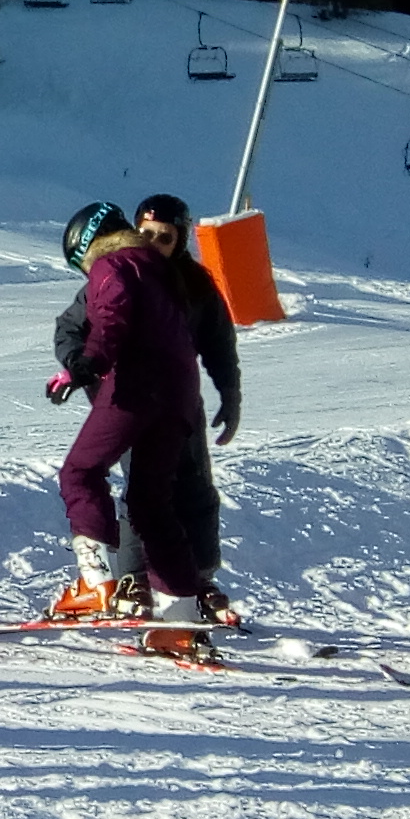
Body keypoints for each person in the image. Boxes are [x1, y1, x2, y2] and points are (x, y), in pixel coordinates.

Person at [51, 190, 240, 616]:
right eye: (146, 233)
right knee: (145, 494)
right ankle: (149, 588)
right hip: (150, 396)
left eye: (165, 237)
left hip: (155, 396)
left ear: (182, 239)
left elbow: (217, 341)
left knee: (182, 484)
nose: (154, 243)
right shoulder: (133, 270)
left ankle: (174, 581)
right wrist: (85, 369)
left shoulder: (171, 277)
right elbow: (76, 330)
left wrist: (230, 393)